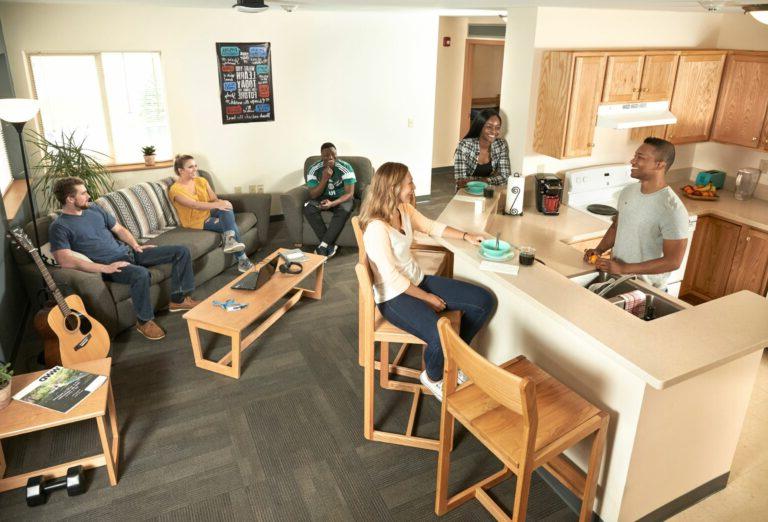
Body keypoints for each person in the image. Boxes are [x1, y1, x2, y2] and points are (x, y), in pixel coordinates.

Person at [359, 162, 496, 401]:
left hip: (417, 281)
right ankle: (433, 376)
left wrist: (467, 236)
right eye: (409, 182)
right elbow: (391, 278)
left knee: (484, 301)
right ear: (393, 187)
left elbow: (432, 227)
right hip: (393, 297)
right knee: (438, 335)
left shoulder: (403, 210)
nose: (413, 186)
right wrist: (427, 298)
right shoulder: (376, 229)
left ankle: (451, 359)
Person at [49, 177, 199, 341]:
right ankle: (144, 321)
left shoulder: (94, 210)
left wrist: (136, 245)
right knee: (140, 274)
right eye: (83, 193)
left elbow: (119, 229)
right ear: (70, 199)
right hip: (111, 265)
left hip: (129, 252)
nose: (89, 196)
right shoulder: (60, 226)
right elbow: (65, 260)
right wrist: (105, 268)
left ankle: (178, 299)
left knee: (181, 251)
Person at [584, 137, 689, 289]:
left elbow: (673, 261)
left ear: (659, 165)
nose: (632, 161)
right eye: (635, 156)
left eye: (640, 157)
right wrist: (599, 250)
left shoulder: (672, 209)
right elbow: (616, 227)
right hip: (616, 279)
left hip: (646, 288)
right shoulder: (628, 192)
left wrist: (624, 269)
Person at [168, 154, 254, 273]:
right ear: (180, 170)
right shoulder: (175, 190)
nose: (195, 169)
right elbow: (195, 205)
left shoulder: (201, 181)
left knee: (226, 207)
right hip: (196, 220)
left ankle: (230, 240)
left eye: (195, 166)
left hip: (208, 211)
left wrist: (224, 203)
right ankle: (242, 259)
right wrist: (219, 205)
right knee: (231, 225)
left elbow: (214, 198)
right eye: (190, 167)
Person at [304, 142, 356, 258]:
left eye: (333, 154)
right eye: (326, 155)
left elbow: (349, 193)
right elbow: (313, 195)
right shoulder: (313, 169)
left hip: (342, 198)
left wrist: (332, 203)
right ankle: (330, 244)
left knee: (344, 210)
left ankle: (323, 245)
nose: (330, 157)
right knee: (308, 207)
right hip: (322, 198)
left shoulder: (345, 168)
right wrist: (324, 179)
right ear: (321, 156)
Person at [453, 108, 511, 190]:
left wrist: (486, 180)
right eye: (489, 127)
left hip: (488, 190)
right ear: (480, 126)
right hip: (466, 191)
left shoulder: (501, 145)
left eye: (497, 127)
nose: (494, 131)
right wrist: (484, 181)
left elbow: (505, 177)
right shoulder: (465, 145)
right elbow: (461, 180)